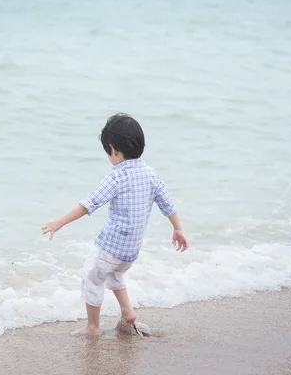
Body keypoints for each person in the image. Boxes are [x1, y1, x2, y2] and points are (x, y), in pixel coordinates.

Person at [42, 113, 189, 336]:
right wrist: (178, 228)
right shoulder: (150, 174)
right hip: (131, 250)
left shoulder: (117, 176)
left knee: (92, 277)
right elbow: (167, 203)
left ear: (114, 150)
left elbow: (90, 203)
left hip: (110, 247)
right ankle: (127, 312)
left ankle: (93, 327)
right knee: (115, 275)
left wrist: (60, 221)